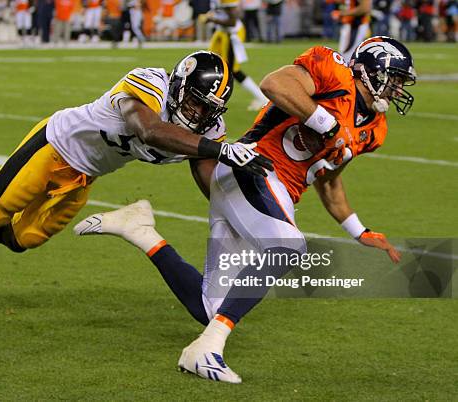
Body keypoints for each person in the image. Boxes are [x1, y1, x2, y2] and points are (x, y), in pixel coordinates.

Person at [74, 36, 416, 383]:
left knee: (211, 307)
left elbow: (328, 180)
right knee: (288, 247)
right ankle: (206, 349)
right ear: (371, 69)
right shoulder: (333, 71)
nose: (398, 88)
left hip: (274, 193)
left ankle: (140, 231)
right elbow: (275, 83)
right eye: (396, 78)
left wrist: (360, 231)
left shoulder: (375, 130)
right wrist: (324, 122)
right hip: (251, 168)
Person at [0, 51, 271, 327]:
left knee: (20, 239)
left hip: (84, 176)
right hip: (54, 147)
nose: (199, 115)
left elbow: (204, 171)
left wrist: (236, 216)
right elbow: (148, 130)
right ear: (179, 85)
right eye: (196, 104)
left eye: (208, 110)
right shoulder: (148, 83)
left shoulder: (206, 131)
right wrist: (222, 149)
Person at [203, 0, 269, 111]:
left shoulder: (229, 3)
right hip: (223, 33)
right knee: (213, 62)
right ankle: (210, 95)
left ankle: (261, 97)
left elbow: (232, 21)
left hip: (232, 34)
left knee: (233, 70)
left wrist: (213, 19)